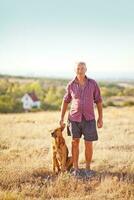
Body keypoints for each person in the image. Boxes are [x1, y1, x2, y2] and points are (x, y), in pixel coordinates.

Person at [59, 62, 103, 176]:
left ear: (86, 69)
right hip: (74, 118)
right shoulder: (70, 85)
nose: (80, 70)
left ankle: (88, 168)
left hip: (89, 119)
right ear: (75, 70)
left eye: (82, 68)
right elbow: (65, 101)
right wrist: (61, 118)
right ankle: (76, 169)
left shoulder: (93, 84)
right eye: (78, 68)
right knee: (75, 142)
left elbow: (98, 101)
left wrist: (100, 118)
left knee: (89, 143)